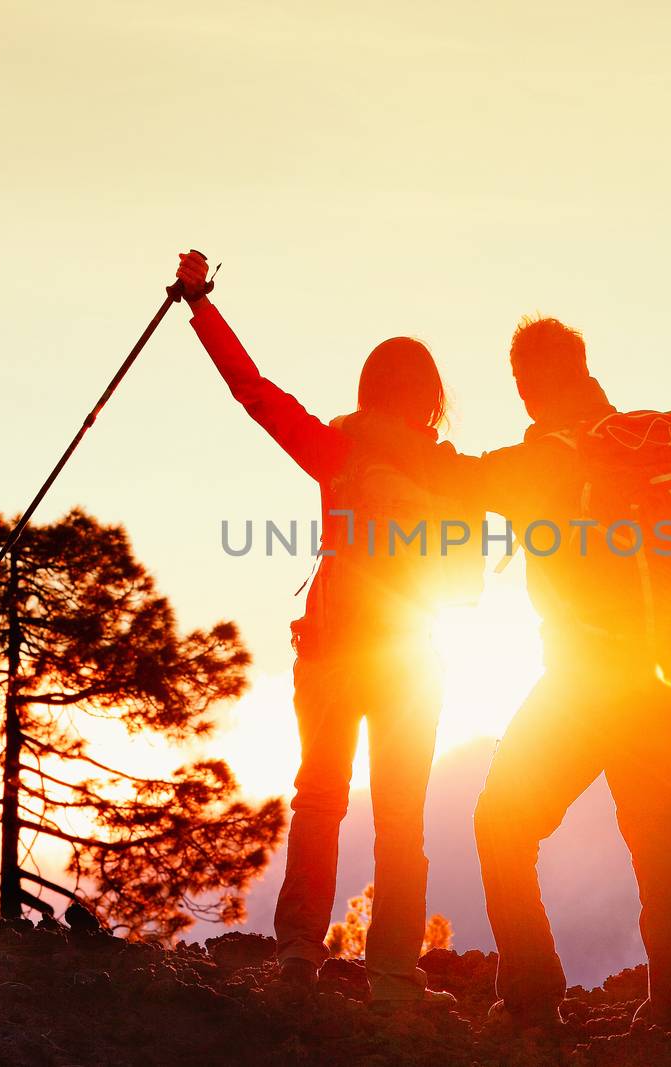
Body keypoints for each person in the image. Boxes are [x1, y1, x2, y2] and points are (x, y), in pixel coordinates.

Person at [460, 275, 671, 1064]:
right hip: (665, 679)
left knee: (502, 823)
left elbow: (450, 486)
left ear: (530, 389)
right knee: (664, 854)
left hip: (580, 685)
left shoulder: (540, 460)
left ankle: (531, 999)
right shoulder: (662, 435)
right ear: (586, 368)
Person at [173, 251, 476, 1008]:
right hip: (413, 660)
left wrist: (200, 306)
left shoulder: (336, 451)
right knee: (402, 819)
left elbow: (255, 393)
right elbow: (468, 584)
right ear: (429, 402)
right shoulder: (452, 476)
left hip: (332, 648)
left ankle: (298, 957)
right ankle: (396, 979)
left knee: (319, 800)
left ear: (368, 392)